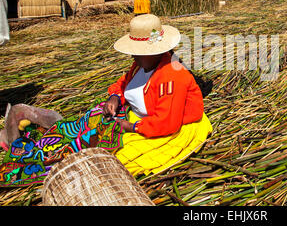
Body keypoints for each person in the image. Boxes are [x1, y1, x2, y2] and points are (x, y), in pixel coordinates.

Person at [0, 14, 212, 186]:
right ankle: (48, 136)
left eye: (138, 52)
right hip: (130, 116)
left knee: (96, 157)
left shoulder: (172, 77)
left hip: (155, 127)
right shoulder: (142, 64)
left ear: (159, 50)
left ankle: (42, 154)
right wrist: (115, 98)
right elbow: (124, 83)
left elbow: (167, 122)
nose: (133, 57)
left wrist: (131, 126)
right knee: (85, 122)